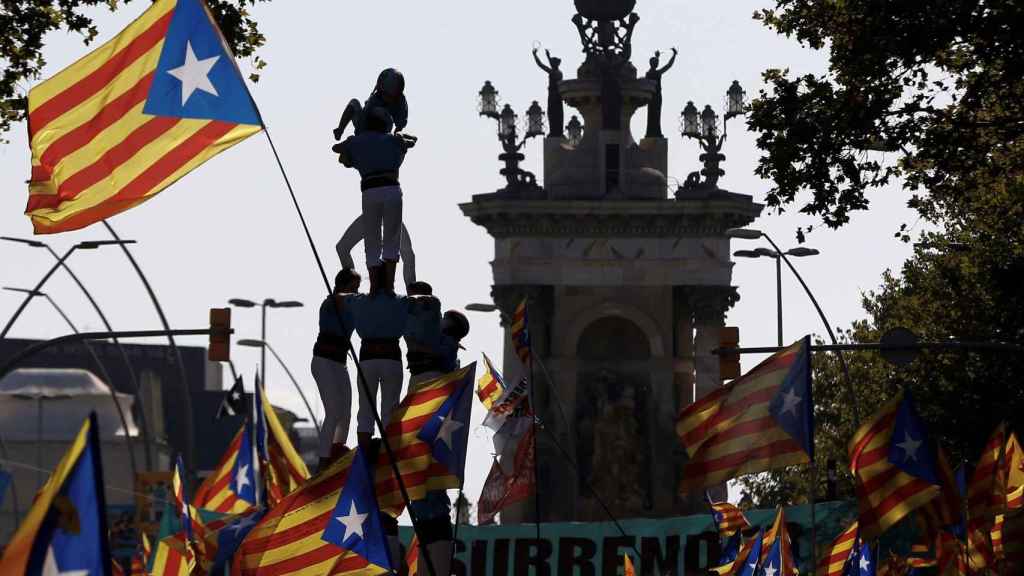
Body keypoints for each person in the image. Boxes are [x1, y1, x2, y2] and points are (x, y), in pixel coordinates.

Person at [407, 308, 469, 576]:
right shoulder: (446, 348)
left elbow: (421, 344)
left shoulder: (446, 346)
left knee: (429, 489)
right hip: (425, 417)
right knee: (425, 490)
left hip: (429, 417)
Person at [334, 107, 417, 294]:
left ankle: (369, 286)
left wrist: (348, 140)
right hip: (391, 190)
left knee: (376, 245)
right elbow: (411, 143)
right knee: (397, 246)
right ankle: (390, 287)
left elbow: (338, 151)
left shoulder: (359, 142)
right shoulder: (391, 140)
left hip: (371, 191)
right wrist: (400, 137)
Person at [310, 269, 360, 472]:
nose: (357, 292)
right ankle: (323, 460)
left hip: (340, 363)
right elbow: (340, 299)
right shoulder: (331, 302)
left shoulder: (353, 305)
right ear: (343, 286)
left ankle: (337, 450)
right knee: (333, 411)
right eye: (354, 287)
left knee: (346, 413)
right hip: (323, 362)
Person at [348, 288, 408, 450]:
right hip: (391, 356)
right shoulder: (400, 300)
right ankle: (389, 456)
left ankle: (365, 454)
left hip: (368, 355)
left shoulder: (359, 300)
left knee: (365, 408)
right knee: (390, 409)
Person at [333, 68, 409, 140]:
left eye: (390, 96)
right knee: (354, 102)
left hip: (384, 132)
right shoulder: (375, 97)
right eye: (385, 94)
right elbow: (363, 117)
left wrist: (394, 142)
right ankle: (340, 130)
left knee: (382, 113)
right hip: (366, 127)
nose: (387, 98)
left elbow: (400, 125)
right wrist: (359, 137)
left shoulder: (401, 101)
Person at [532, 48, 564, 138]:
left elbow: (540, 65)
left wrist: (535, 55)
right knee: (557, 114)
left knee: (552, 113)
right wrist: (548, 56)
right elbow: (550, 63)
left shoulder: (553, 72)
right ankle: (558, 131)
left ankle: (554, 131)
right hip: (558, 96)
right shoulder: (559, 72)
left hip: (553, 96)